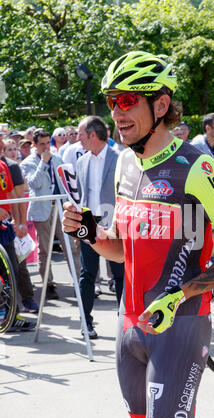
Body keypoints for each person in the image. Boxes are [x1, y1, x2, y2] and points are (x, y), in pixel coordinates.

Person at [62, 50, 214, 418]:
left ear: (161, 104)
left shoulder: (198, 169)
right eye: (112, 101)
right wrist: (88, 231)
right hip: (128, 326)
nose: (116, 112)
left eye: (129, 100)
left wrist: (180, 295)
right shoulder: (124, 164)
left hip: (179, 329)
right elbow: (121, 251)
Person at [75, 115, 123, 339]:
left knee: (121, 275)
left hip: (115, 225)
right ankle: (85, 323)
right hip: (88, 224)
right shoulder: (82, 161)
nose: (78, 138)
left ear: (93, 135)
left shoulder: (121, 157)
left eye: (80, 134)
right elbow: (81, 196)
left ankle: (125, 322)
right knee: (87, 274)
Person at [21, 128, 81, 300]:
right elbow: (35, 184)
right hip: (42, 209)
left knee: (70, 246)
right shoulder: (28, 162)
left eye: (48, 143)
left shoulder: (57, 158)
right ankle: (48, 284)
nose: (46, 147)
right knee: (45, 251)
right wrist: (43, 163)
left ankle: (79, 282)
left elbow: (65, 184)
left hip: (60, 207)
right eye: (42, 144)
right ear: (35, 144)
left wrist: (72, 204)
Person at [0, 158, 36, 331]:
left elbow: (11, 193)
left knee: (12, 270)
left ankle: (11, 316)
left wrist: (16, 219)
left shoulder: (3, 165)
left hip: (4, 227)